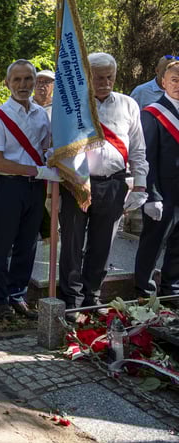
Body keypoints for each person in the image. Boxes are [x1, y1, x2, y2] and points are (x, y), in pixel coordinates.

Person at [58, 52, 148, 313]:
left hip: (114, 184)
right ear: (88, 75)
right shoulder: (74, 105)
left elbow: (138, 148)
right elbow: (60, 146)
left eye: (110, 77)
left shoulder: (128, 104)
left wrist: (140, 185)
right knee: (73, 245)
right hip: (78, 184)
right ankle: (70, 300)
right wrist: (73, 178)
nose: (105, 82)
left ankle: (92, 298)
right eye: (99, 77)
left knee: (103, 245)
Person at [0, 60, 57, 320]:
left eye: (28, 79)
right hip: (10, 187)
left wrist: (51, 160)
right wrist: (36, 171)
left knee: (28, 245)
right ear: (7, 83)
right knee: (3, 245)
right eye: (17, 80)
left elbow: (44, 148)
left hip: (35, 189)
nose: (23, 85)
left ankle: (17, 295)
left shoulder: (41, 114)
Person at [135, 59, 179, 301]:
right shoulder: (152, 113)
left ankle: (172, 290)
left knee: (178, 247)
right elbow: (147, 158)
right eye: (174, 80)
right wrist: (151, 196)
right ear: (164, 82)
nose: (178, 85)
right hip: (162, 194)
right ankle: (144, 292)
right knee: (153, 244)